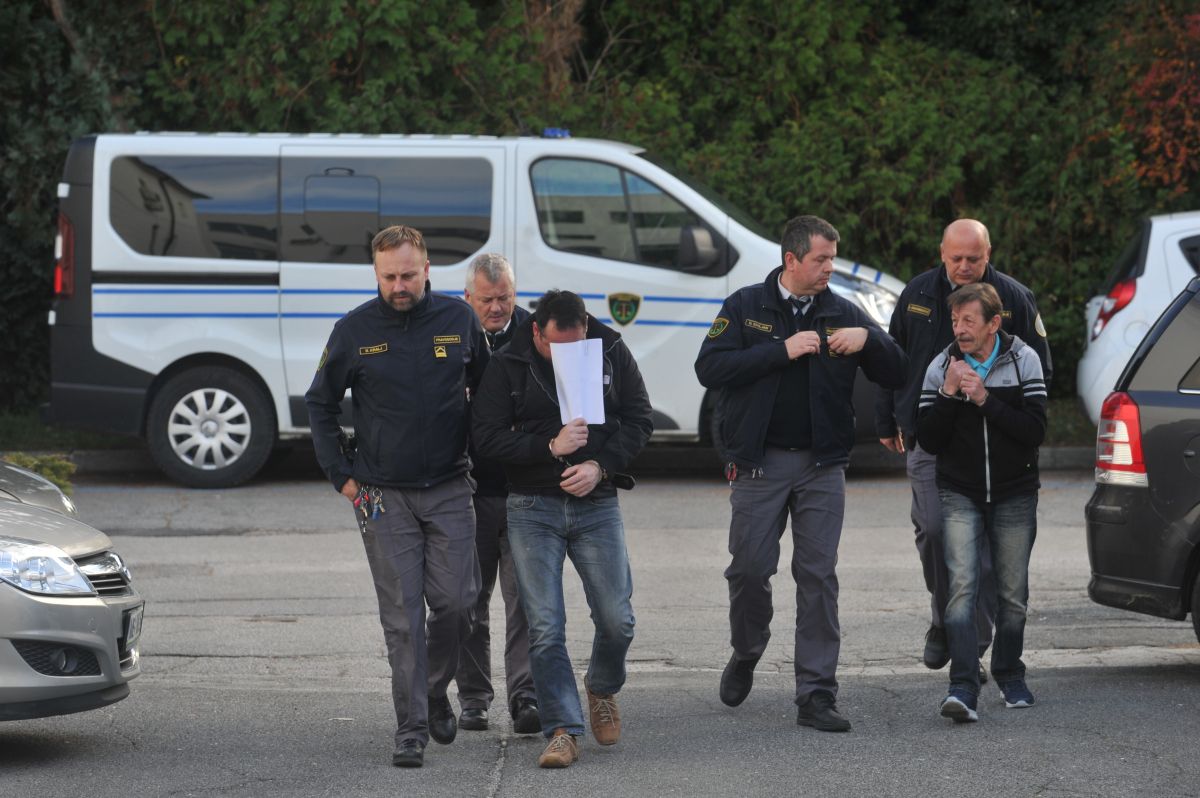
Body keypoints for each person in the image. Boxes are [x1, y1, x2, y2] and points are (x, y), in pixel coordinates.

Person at [695, 215, 907, 733]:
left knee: (817, 576)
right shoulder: (746, 306)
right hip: (759, 463)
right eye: (821, 259)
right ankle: (747, 649)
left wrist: (869, 339)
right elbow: (709, 369)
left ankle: (816, 693)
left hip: (822, 466)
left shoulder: (842, 311)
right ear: (791, 259)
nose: (830, 268)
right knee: (749, 570)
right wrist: (780, 351)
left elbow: (898, 370)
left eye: (832, 258)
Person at [305, 225, 489, 768]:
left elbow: (489, 393)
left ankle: (432, 692)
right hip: (381, 496)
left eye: (408, 275)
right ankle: (411, 729)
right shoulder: (353, 330)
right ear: (376, 273)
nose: (399, 286)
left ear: (427, 269)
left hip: (451, 486)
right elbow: (319, 403)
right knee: (403, 620)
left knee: (459, 605)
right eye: (388, 277)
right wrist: (341, 476)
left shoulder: (460, 320)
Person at [472, 289, 653, 768]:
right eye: (557, 347)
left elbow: (640, 419)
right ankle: (563, 729)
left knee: (618, 619)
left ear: (586, 328)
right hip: (532, 505)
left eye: (577, 345)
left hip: (596, 501)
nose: (569, 356)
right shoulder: (508, 362)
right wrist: (548, 447)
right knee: (546, 626)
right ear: (536, 331)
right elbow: (485, 436)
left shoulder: (610, 348)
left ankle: (601, 687)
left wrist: (600, 466)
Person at [875, 219, 1051, 677]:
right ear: (942, 253)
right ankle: (945, 619)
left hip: (996, 441)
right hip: (931, 434)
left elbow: (1039, 370)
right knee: (935, 531)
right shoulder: (916, 294)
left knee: (988, 550)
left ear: (988, 254)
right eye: (956, 258)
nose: (965, 266)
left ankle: (971, 641)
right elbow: (892, 358)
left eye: (974, 258)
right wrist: (887, 417)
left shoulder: (1013, 298)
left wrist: (1016, 425)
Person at [915, 282, 1047, 722]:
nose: (959, 329)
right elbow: (929, 440)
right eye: (955, 320)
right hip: (959, 492)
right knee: (961, 592)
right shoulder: (941, 366)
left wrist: (984, 399)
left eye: (969, 320)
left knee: (1012, 595)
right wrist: (950, 394)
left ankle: (1010, 674)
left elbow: (1034, 432)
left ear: (994, 323)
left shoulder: (1024, 359)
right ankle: (963, 686)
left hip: (1015, 493)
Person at [454, 253, 539, 734]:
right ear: (468, 297)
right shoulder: (449, 335)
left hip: (526, 489)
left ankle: (525, 696)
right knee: (468, 600)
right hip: (469, 490)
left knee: (526, 601)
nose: (496, 308)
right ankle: (473, 697)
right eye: (486, 300)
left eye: (504, 298)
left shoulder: (536, 335)